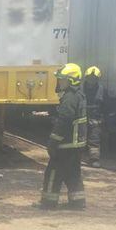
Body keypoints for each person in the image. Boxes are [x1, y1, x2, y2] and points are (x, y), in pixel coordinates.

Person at [40, 63, 88, 210]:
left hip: (65, 145)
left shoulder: (69, 98)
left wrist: (53, 141)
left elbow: (64, 121)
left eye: (63, 79)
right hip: (75, 145)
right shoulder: (79, 95)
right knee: (73, 173)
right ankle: (77, 202)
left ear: (72, 80)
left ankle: (48, 202)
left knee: (53, 173)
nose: (60, 82)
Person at [83, 66, 106, 167]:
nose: (91, 80)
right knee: (78, 139)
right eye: (90, 78)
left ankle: (94, 159)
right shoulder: (80, 89)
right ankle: (75, 158)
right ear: (86, 78)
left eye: (94, 79)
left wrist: (103, 117)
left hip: (94, 118)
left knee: (94, 139)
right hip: (81, 118)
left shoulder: (102, 90)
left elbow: (105, 106)